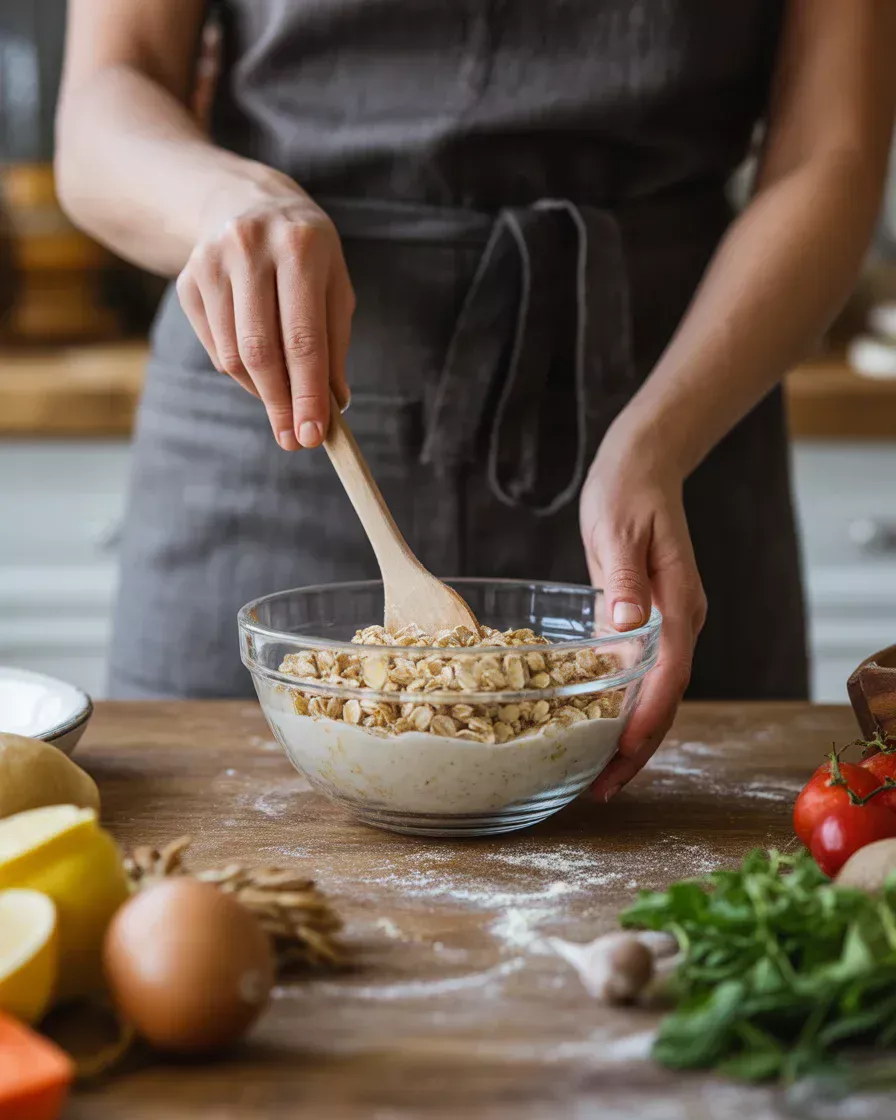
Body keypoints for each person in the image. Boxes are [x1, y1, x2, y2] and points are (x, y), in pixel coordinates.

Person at [56, 1, 896, 800]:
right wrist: (219, 199)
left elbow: (834, 153)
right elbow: (102, 106)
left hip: (682, 388)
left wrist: (660, 441)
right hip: (268, 383)